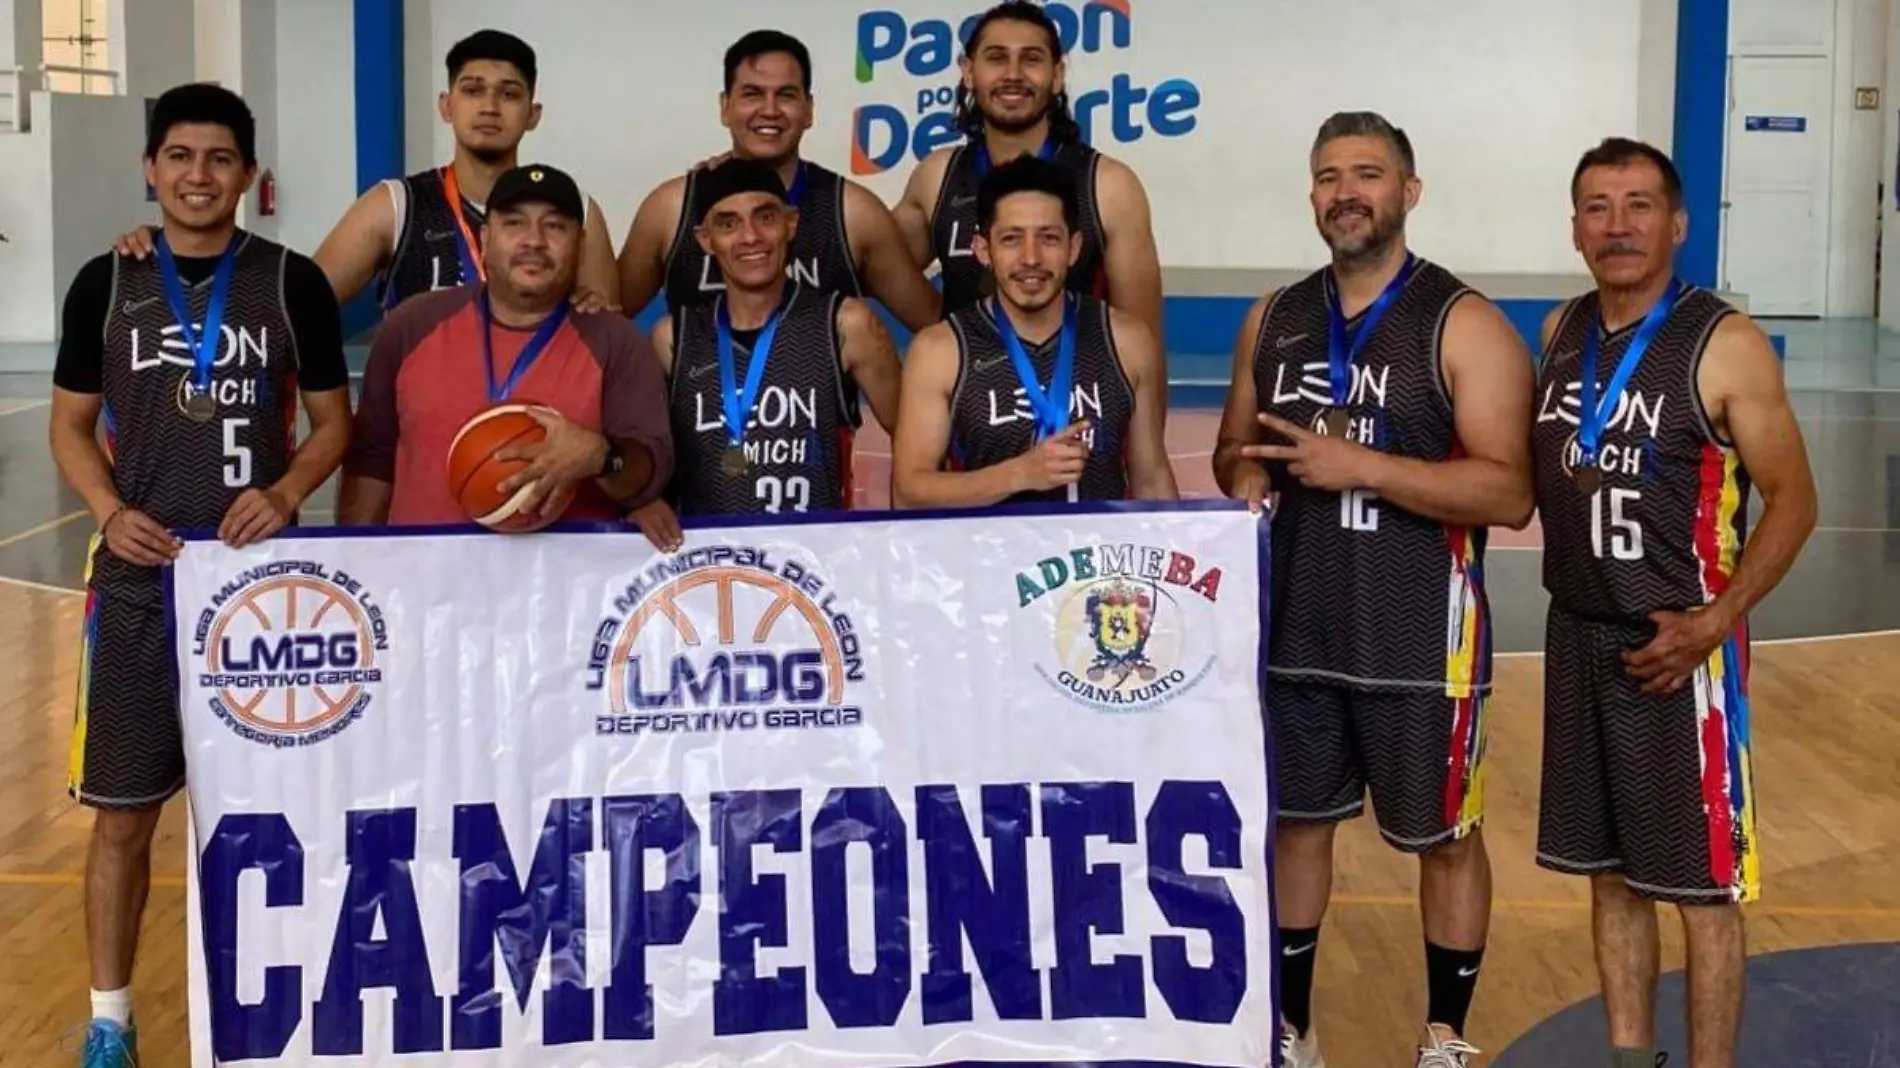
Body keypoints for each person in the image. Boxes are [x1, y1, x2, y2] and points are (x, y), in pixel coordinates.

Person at [1213, 112, 1535, 1068]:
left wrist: (1360, 466)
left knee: (1444, 840)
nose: (1345, 191)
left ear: (1409, 191)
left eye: (1367, 173)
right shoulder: (1273, 317)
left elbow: (1509, 492)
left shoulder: (1463, 322)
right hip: (1299, 630)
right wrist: (1246, 474)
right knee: (1297, 831)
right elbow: (1237, 447)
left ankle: (1444, 1036)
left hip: (1421, 642)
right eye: (1328, 176)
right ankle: (1292, 1028)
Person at [47, 83, 353, 1068]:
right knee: (124, 819)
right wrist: (107, 512)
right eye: (178, 156)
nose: (197, 175)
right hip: (141, 587)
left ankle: (290, 1013)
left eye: (219, 159)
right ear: (150, 168)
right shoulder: (107, 280)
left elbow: (334, 423)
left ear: (250, 177)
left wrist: (292, 486)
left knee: (279, 820)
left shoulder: (291, 281)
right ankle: (112, 1020)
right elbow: (67, 423)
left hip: (258, 592)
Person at [1533, 138, 1816, 1068]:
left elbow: (1796, 499)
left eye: (1639, 205)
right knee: (1610, 877)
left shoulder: (1720, 340)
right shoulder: (1559, 331)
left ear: (1678, 223)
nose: (1618, 225)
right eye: (1598, 206)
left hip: (1680, 647)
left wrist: (1716, 622)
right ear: (1575, 226)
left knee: (1702, 890)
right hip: (1579, 635)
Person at [113, 30, 621, 312]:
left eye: (509, 93)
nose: (489, 106)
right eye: (472, 90)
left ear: (533, 114)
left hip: (537, 432)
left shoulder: (574, 209)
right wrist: (180, 239)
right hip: (419, 442)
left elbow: (606, 334)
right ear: (446, 105)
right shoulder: (395, 206)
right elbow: (292, 300)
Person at [337, 164, 671, 526]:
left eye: (555, 226)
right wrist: (355, 555)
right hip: (425, 573)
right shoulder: (411, 325)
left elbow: (651, 471)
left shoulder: (616, 341)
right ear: (485, 239)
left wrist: (601, 457)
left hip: (567, 576)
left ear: (581, 243)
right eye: (514, 223)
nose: (534, 241)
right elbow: (370, 459)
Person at [630, 160, 903, 552]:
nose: (750, 237)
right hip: (702, 569)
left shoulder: (845, 324)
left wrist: (902, 538)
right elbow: (643, 453)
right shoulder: (673, 337)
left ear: (791, 223)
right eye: (728, 224)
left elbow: (915, 443)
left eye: (765, 217)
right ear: (705, 239)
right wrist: (641, 499)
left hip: (815, 567)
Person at [892, 155, 1175, 508]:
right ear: (983, 250)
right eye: (1011, 239)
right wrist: (1021, 474)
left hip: (1099, 560)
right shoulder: (941, 351)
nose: (1031, 258)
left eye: (1049, 238)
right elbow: (910, 492)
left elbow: (1151, 480)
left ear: (1073, 248)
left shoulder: (1126, 341)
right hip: (986, 559)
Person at [616, 30, 940, 329]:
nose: (770, 110)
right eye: (752, 94)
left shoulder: (853, 213)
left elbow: (938, 329)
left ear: (808, 109)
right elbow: (602, 330)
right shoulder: (672, 209)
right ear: (725, 106)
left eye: (786, 95)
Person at [893, 0, 1163, 342]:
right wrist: (944, 331)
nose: (1013, 74)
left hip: (1072, 393)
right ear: (968, 71)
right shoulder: (936, 178)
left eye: (1032, 59)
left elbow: (1143, 341)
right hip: (967, 390)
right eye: (996, 57)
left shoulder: (1108, 186)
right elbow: (871, 264)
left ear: (1057, 76)